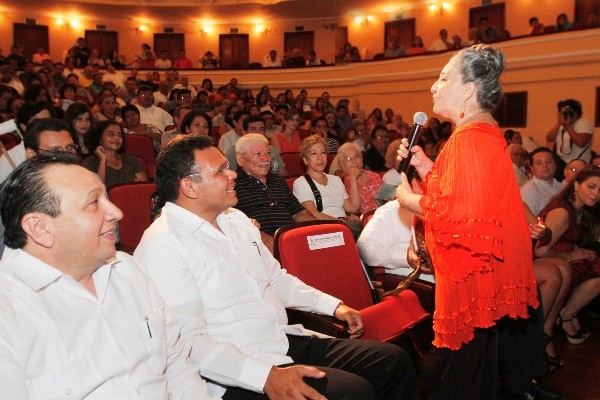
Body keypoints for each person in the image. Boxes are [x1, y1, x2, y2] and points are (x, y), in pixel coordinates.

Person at [135, 135, 416, 400]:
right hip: (236, 368)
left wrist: (334, 306)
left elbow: (276, 279)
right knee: (353, 391)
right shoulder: (164, 244)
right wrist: (267, 378)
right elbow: (188, 343)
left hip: (279, 340)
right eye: (221, 170)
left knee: (392, 361)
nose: (232, 174)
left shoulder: (235, 220)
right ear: (189, 186)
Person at [0, 153, 215, 399]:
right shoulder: (7, 312)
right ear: (40, 228)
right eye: (94, 203)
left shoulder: (126, 269)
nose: (116, 212)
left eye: (106, 197)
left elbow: (177, 364)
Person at [395, 44, 538, 399]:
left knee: (463, 380)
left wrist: (406, 199)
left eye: (443, 78)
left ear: (468, 90)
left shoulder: (468, 139)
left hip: (466, 276)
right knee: (477, 372)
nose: (434, 86)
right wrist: (427, 166)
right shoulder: (484, 132)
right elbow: (466, 193)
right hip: (478, 273)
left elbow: (455, 213)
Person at [536, 165, 600, 345]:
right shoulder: (562, 212)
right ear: (576, 185)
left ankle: (568, 314)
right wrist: (572, 255)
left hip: (563, 260)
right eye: (591, 186)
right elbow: (540, 251)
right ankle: (566, 316)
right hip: (552, 264)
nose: (596, 194)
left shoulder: (582, 208)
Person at [234, 134, 315, 251]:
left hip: (291, 238)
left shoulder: (277, 181)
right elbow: (240, 226)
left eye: (267, 153)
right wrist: (274, 243)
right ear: (240, 159)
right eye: (258, 154)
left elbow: (299, 213)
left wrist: (317, 231)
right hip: (262, 245)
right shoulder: (234, 186)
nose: (266, 159)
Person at [293, 134, 360, 224]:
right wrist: (341, 222)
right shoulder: (301, 183)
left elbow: (353, 208)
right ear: (305, 160)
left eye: (323, 153)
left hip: (343, 225)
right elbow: (312, 214)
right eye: (314, 153)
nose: (320, 158)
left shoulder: (336, 180)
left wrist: (353, 178)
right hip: (324, 228)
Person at [82, 120, 147, 188]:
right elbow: (97, 189)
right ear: (99, 139)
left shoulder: (131, 160)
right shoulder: (90, 162)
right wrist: (102, 161)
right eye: (111, 134)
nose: (117, 138)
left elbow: (142, 188)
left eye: (119, 135)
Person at [545, 99, 594, 164]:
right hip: (561, 162)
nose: (567, 115)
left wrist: (567, 127)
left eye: (569, 112)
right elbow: (549, 138)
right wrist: (559, 123)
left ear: (577, 112)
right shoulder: (561, 124)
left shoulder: (584, 122)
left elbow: (581, 143)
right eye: (563, 113)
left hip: (578, 163)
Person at [338, 142, 383, 213]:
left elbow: (385, 199)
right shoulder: (341, 184)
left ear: (362, 160)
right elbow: (355, 209)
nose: (354, 161)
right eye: (348, 158)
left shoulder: (374, 176)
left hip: (382, 214)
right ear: (343, 165)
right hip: (363, 220)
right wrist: (353, 178)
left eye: (356, 156)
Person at [521, 147, 565, 216]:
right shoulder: (529, 191)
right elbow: (529, 223)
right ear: (532, 169)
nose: (544, 165)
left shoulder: (562, 187)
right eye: (539, 163)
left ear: (555, 165)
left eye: (548, 161)